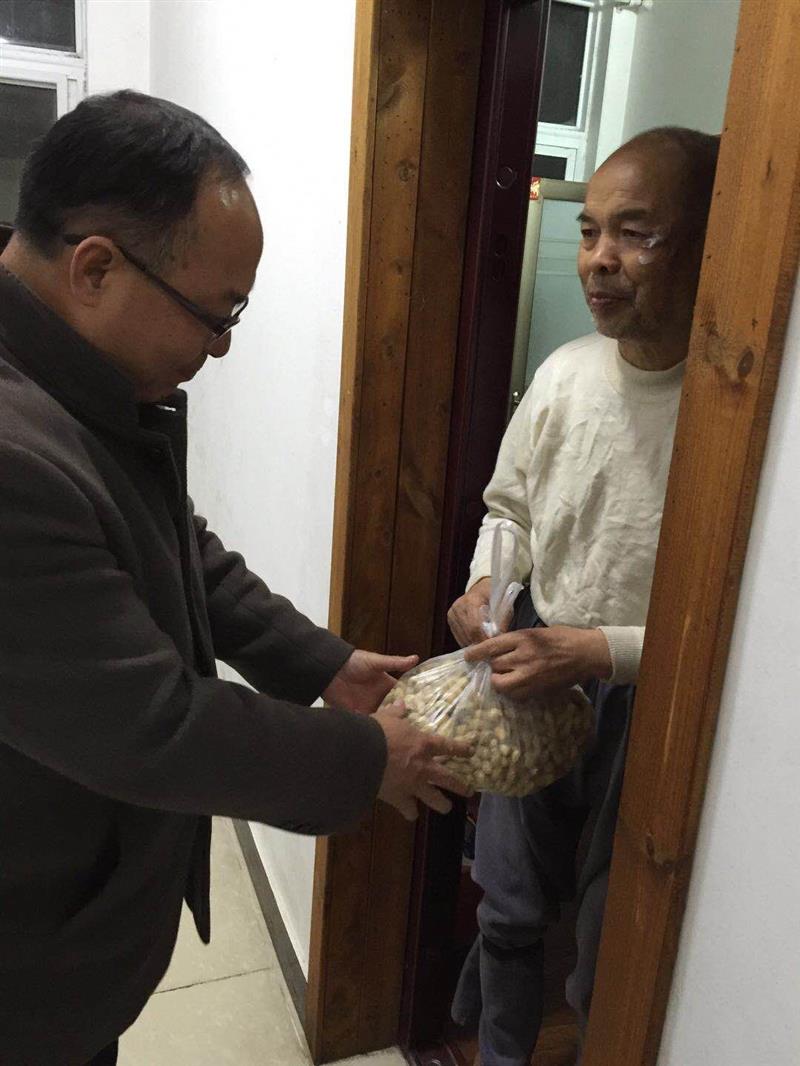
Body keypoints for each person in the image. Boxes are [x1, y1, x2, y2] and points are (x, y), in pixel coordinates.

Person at [0, 91, 472, 1066]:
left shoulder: (65, 385)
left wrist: (324, 662)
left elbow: (176, 546)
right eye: (213, 315)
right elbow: (152, 725)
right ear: (96, 268)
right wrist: (367, 757)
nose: (219, 347)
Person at [448, 128, 721, 1066]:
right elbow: (511, 509)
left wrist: (601, 652)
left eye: (636, 234)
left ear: (712, 241)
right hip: (535, 658)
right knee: (509, 905)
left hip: (660, 699)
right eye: (591, 230)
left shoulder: (733, 410)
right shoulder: (565, 373)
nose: (600, 259)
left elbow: (741, 623)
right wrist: (487, 584)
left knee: (615, 941)